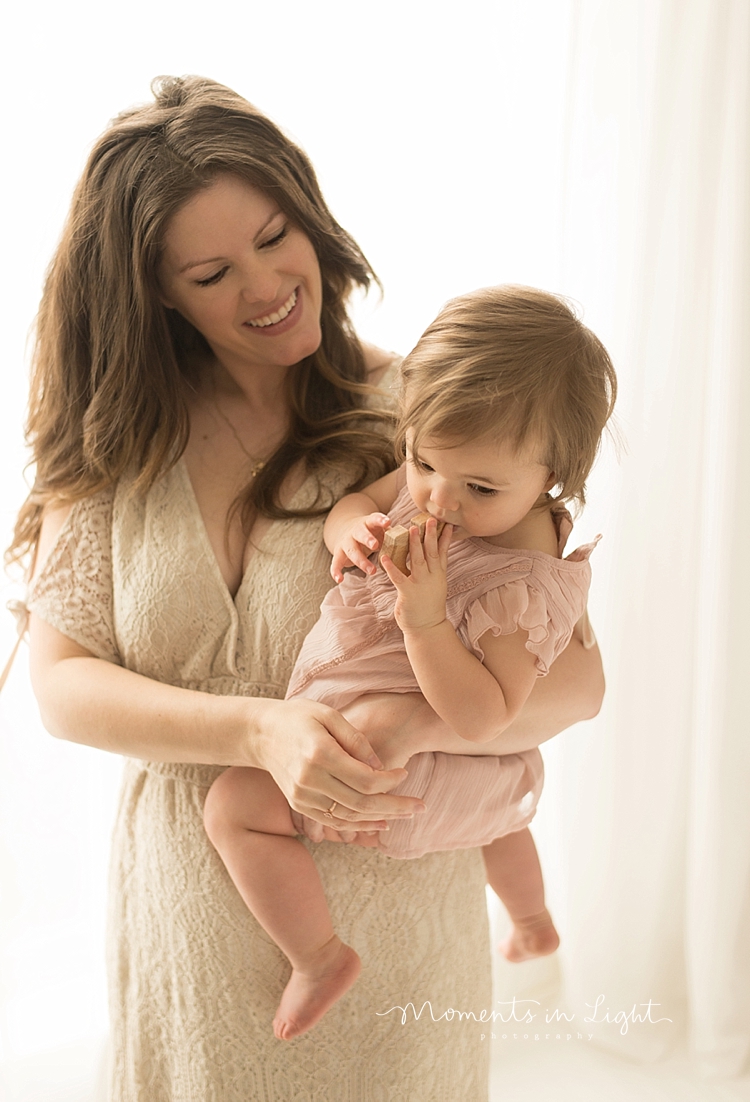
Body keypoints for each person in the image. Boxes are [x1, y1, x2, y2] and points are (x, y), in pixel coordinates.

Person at [10, 76, 606, 1102]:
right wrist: (259, 733)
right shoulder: (113, 451)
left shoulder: (424, 422)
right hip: (187, 948)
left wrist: (416, 724)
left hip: (399, 946)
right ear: (158, 292)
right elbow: (62, 688)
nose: (267, 284)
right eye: (212, 271)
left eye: (278, 235)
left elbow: (580, 683)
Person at [203, 285, 615, 1042]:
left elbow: (488, 714)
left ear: (552, 477)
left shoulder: (519, 578)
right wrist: (350, 529)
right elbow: (362, 498)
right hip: (443, 772)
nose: (439, 501)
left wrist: (424, 618)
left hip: (402, 768)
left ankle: (318, 957)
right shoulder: (442, 474)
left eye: (481, 488)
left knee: (233, 808)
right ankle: (532, 919)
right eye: (422, 462)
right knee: (498, 821)